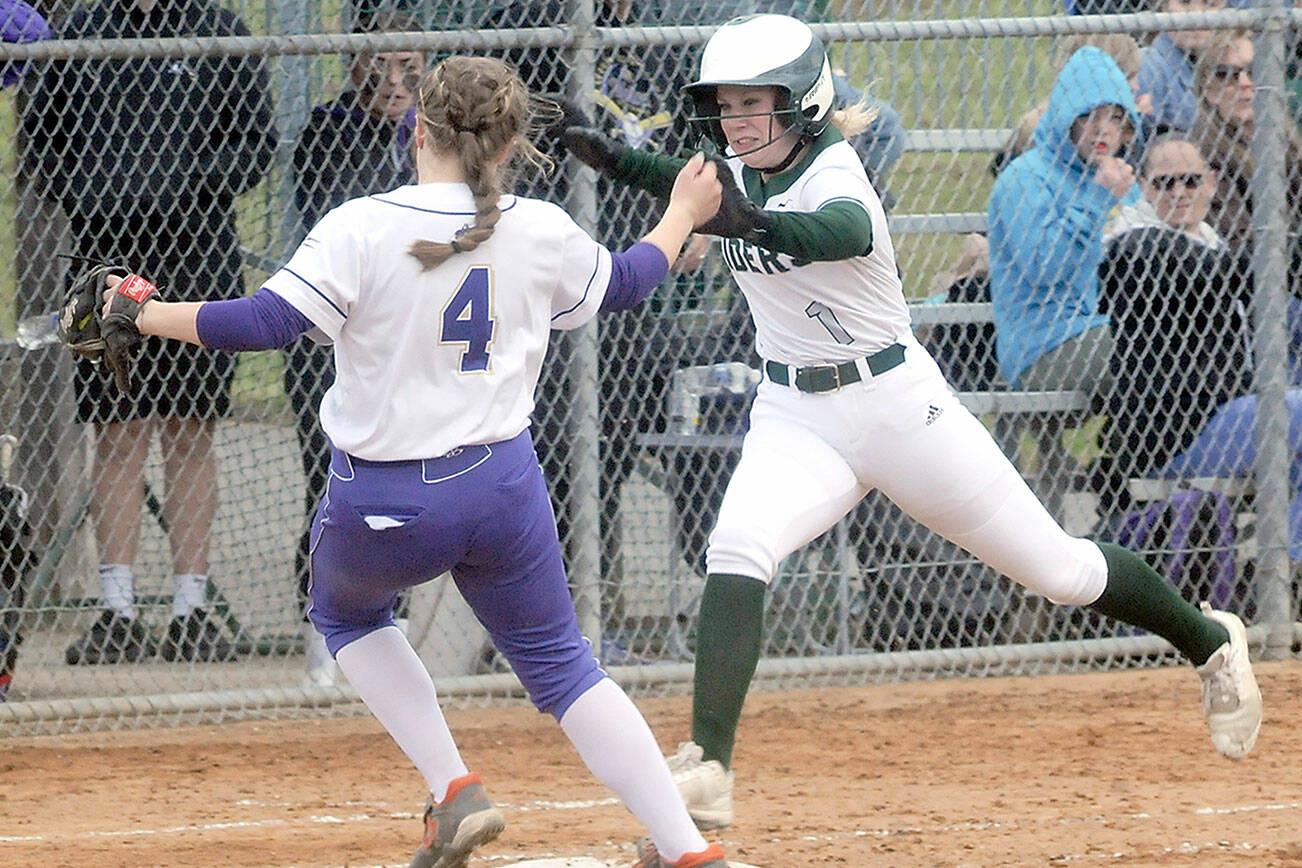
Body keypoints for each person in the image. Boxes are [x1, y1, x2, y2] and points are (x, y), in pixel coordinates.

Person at [558, 13, 1263, 834]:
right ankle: (710, 766)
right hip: (794, 412)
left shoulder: (837, 174)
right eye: (726, 105)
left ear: (805, 104)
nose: (738, 120)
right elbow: (689, 184)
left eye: (757, 103)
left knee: (1061, 574)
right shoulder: (737, 168)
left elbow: (832, 233)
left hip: (898, 408)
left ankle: (1209, 638)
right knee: (739, 548)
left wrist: (732, 220)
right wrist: (609, 158)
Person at [98, 54, 732, 868]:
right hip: (502, 487)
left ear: (418, 131)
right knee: (566, 670)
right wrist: (681, 211)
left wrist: (139, 311)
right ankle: (686, 849)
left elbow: (259, 323)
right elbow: (627, 279)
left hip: (384, 498)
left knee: (349, 616)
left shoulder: (362, 223)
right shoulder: (537, 227)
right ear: (508, 147)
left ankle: (455, 786)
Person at [22, 0, 276, 664]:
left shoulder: (220, 31)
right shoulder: (81, 32)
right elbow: (42, 147)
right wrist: (103, 192)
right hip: (103, 262)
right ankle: (118, 610)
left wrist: (180, 186)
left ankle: (192, 612)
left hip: (199, 258)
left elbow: (254, 147)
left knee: (191, 433)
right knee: (116, 435)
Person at [287, 10, 426, 688]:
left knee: (412, 482)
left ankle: (389, 629)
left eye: (410, 67)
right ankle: (325, 628)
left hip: (408, 339)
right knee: (335, 483)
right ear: (356, 65)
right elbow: (346, 214)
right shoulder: (330, 128)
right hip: (334, 334)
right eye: (383, 65)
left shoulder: (436, 138)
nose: (396, 80)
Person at [1099, 135, 1302, 559]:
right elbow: (1215, 273)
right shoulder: (1131, 246)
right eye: (1164, 183)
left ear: (1211, 183)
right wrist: (1277, 261)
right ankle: (1285, 569)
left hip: (1227, 413)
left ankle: (1287, 577)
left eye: (1190, 181)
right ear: (1145, 190)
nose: (1179, 193)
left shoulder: (1211, 241)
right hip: (1176, 434)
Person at [1190, 30, 1302, 258]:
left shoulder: (1287, 139)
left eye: (1255, 69)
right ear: (1208, 89)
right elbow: (1239, 240)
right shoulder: (1202, 154)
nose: (1244, 83)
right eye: (1226, 74)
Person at [1138, 0, 1228, 136]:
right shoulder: (1146, 67)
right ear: (1164, 7)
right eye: (1185, 2)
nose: (1196, 14)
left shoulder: (1236, 62)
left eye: (1210, 3)